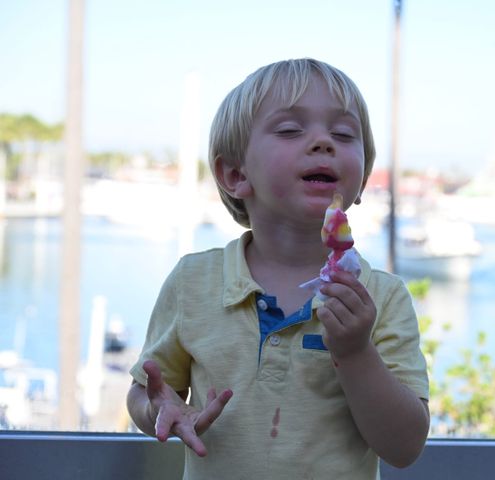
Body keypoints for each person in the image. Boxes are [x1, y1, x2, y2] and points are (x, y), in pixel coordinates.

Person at [126, 58, 430, 479]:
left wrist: (357, 352)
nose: (324, 141)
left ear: (361, 181)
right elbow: (147, 391)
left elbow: (404, 446)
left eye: (344, 133)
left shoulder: (382, 297)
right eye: (290, 130)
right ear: (235, 174)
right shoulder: (193, 282)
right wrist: (157, 408)